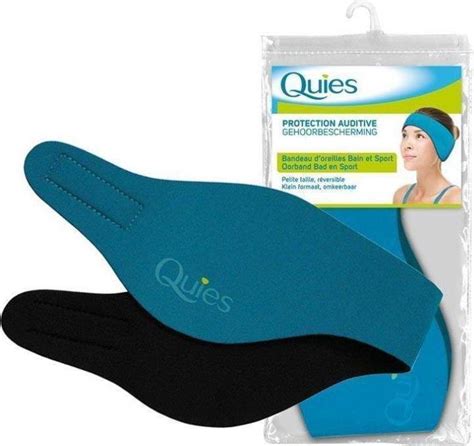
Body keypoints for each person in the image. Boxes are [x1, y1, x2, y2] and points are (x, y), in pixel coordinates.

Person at [393, 107, 461, 205]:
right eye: (405, 135)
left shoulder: (456, 199)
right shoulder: (400, 196)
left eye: (419, 136)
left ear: (441, 146)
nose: (406, 145)